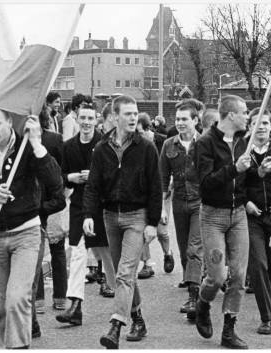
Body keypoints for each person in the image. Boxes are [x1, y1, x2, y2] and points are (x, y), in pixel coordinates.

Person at [0, 108, 63, 348]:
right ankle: (10, 344)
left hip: (27, 233)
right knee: (0, 305)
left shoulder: (27, 148)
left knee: (17, 298)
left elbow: (55, 181)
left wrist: (38, 144)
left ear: (9, 121)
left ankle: (18, 347)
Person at [83, 95, 162, 349]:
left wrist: (152, 222)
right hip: (110, 216)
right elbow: (93, 187)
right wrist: (88, 215)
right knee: (121, 274)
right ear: (115, 117)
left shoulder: (146, 147)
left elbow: (155, 187)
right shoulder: (101, 149)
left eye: (135, 113)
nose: (133, 118)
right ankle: (138, 318)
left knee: (126, 272)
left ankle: (116, 325)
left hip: (136, 216)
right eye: (127, 114)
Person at [194, 95, 251, 349]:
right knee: (217, 276)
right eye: (245, 112)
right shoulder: (205, 143)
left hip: (237, 214)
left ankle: (229, 329)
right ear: (230, 115)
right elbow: (205, 184)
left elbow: (244, 178)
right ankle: (203, 302)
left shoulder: (242, 142)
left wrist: (259, 171)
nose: (248, 116)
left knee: (238, 274)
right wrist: (234, 169)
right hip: (213, 216)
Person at [56, 103, 116, 327]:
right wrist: (71, 177)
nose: (86, 122)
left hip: (101, 206)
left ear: (96, 120)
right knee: (78, 253)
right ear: (77, 118)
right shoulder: (68, 146)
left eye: (91, 118)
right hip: (79, 205)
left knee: (108, 255)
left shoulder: (104, 144)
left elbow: (114, 174)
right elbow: (59, 174)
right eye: (83, 118)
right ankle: (75, 306)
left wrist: (95, 176)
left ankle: (127, 303)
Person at [244, 108, 271, 335]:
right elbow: (234, 184)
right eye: (255, 123)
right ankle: (266, 317)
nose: (260, 127)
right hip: (253, 218)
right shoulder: (241, 151)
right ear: (249, 126)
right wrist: (245, 202)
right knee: (258, 264)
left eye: (265, 122)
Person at [159, 101, 203, 319]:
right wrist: (161, 208)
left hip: (201, 203)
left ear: (195, 121)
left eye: (185, 119)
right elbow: (162, 179)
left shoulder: (205, 143)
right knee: (184, 247)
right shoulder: (168, 145)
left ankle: (194, 297)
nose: (180, 123)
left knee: (195, 248)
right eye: (177, 119)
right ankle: (193, 280)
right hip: (179, 202)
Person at [31, 106, 67, 337]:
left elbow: (61, 170)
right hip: (43, 202)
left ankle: (49, 298)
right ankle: (53, 298)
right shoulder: (54, 139)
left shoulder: (53, 140)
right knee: (49, 250)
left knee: (53, 247)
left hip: (48, 202)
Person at [136, 112, 174, 279]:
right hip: (141, 191)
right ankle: (147, 264)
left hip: (161, 190)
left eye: (139, 131)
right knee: (141, 230)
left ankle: (168, 253)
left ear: (146, 129)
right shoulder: (134, 144)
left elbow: (167, 167)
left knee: (161, 230)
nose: (136, 135)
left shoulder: (161, 141)